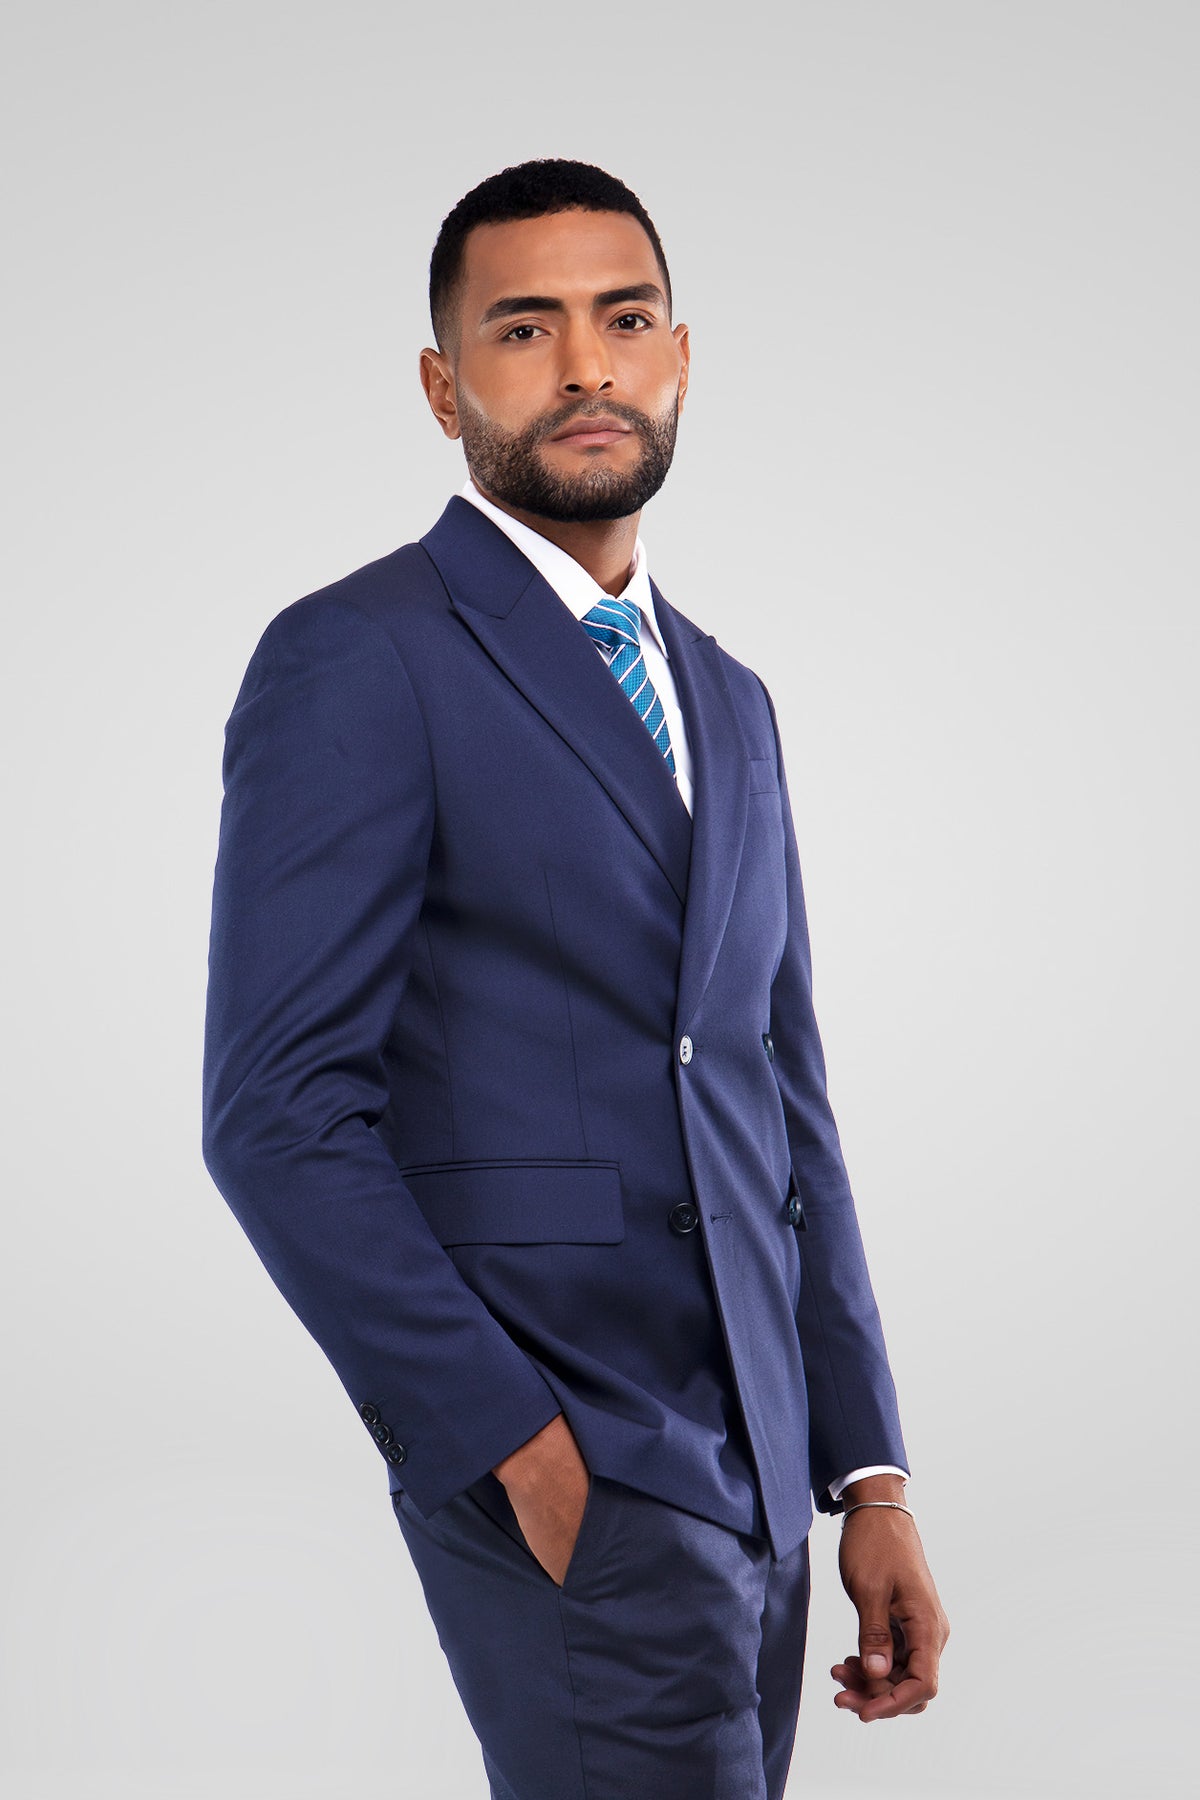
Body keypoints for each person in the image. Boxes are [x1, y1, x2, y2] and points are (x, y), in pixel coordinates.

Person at [201, 158, 949, 1800]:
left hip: (762, 1477)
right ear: (443, 385)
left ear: (681, 356)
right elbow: (276, 1116)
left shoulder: (731, 697)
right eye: (525, 329)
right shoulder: (360, 656)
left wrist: (866, 1473)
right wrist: (511, 1445)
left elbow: (780, 1097)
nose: (588, 367)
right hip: (564, 1460)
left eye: (625, 320)